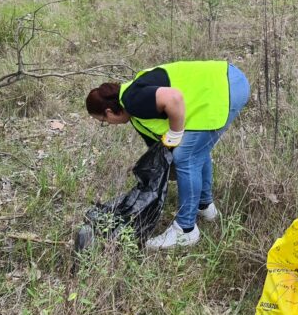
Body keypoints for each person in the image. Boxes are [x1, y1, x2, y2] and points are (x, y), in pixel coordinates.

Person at [85, 60, 249, 249]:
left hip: (225, 87)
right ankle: (205, 207)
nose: (108, 125)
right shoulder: (136, 115)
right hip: (228, 81)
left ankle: (185, 230)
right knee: (194, 152)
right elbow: (160, 150)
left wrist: (176, 132)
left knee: (186, 157)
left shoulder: (133, 99)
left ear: (108, 112)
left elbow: (174, 98)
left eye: (103, 121)